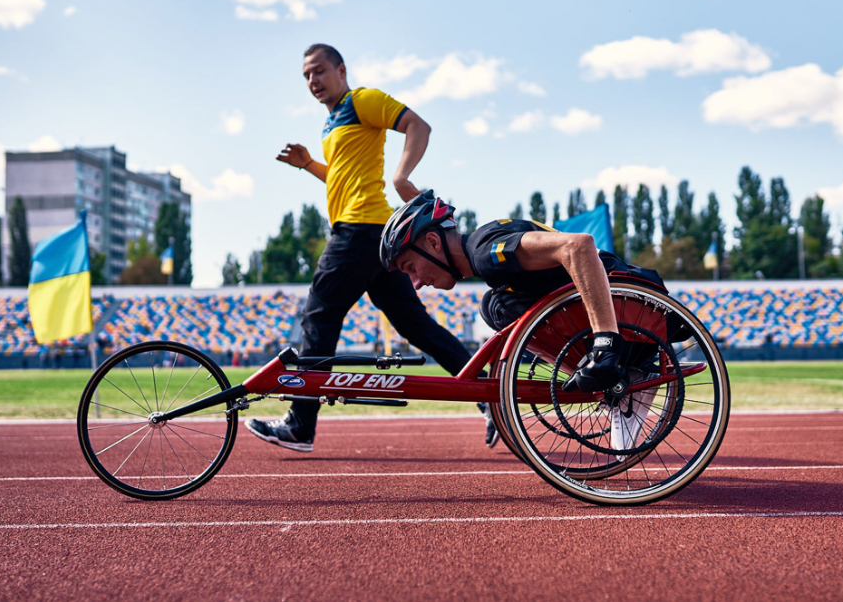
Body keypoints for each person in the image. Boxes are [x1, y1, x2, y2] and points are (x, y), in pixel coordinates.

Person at [245, 44, 475, 453]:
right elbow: (343, 177)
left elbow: (419, 126)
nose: (313, 81)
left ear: (341, 70)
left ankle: (300, 425)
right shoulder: (331, 124)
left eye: (319, 71)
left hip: (359, 232)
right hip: (372, 236)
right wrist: (308, 165)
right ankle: (491, 396)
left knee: (319, 316)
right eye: (306, 77)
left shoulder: (362, 100)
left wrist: (403, 177)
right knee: (415, 326)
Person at [380, 190, 671, 448]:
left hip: (632, 310)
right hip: (630, 313)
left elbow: (578, 246)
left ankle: (626, 370)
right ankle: (625, 371)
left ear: (433, 242)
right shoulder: (486, 255)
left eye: (410, 268)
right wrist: (497, 399)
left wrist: (606, 343)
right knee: (495, 306)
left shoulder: (485, 253)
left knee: (499, 306)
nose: (415, 283)